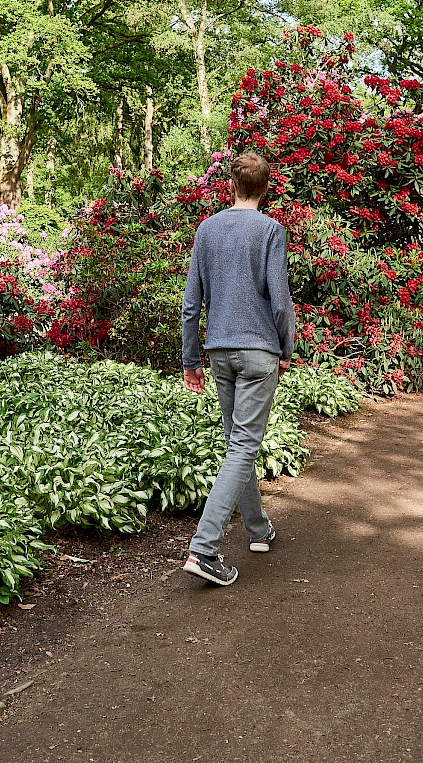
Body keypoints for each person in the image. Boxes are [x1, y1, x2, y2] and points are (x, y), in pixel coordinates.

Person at [180, 152, 295, 587]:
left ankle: (257, 530)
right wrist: (286, 347)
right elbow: (280, 300)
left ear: (230, 184)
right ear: (265, 188)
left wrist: (191, 360)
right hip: (259, 351)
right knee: (243, 447)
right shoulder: (270, 229)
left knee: (236, 444)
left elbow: (192, 304)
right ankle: (204, 549)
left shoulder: (206, 230)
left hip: (219, 351)